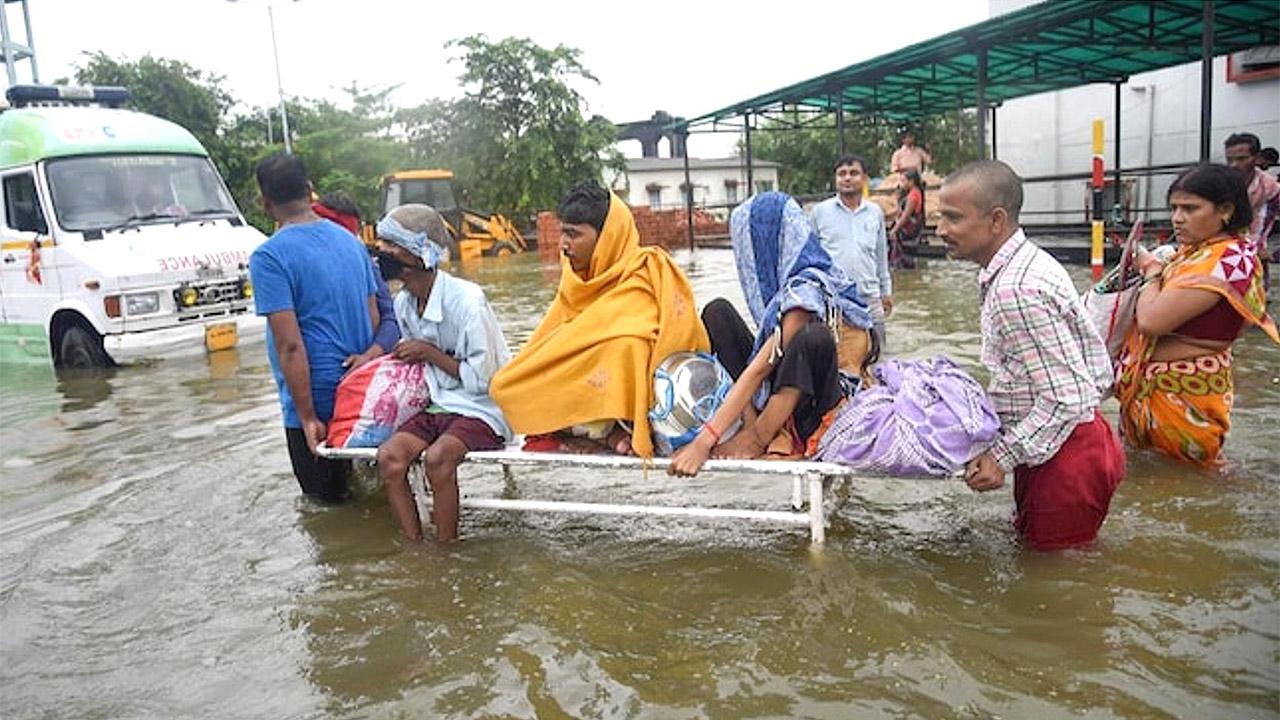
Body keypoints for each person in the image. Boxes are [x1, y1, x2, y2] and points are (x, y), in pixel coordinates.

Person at [938, 160, 1124, 550]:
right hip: (1060, 444)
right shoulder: (1021, 266)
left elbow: (1065, 397)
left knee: (1056, 589)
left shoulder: (1015, 290)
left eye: (953, 219)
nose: (941, 231)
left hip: (1067, 455)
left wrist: (999, 458)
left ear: (996, 220)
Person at [489, 181, 709, 458]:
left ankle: (612, 429)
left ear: (607, 237)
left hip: (646, 402)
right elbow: (554, 340)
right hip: (590, 390)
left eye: (573, 235)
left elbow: (660, 339)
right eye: (562, 233)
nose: (563, 245)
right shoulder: (575, 278)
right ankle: (597, 430)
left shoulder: (644, 274)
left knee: (626, 345)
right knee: (505, 385)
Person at [669, 191, 877, 477]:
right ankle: (751, 422)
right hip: (783, 383)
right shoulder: (782, 294)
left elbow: (759, 369)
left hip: (820, 400)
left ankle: (759, 437)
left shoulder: (805, 290)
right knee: (717, 313)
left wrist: (704, 442)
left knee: (811, 338)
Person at [1116, 164, 1279, 466]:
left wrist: (1151, 271)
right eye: (1174, 208)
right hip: (1162, 388)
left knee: (1192, 476)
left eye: (1190, 208)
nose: (1178, 218)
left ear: (1226, 210)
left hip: (1182, 393)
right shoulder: (1197, 252)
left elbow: (1152, 321)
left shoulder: (1227, 259)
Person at [371, 204, 512, 542]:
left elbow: (484, 380)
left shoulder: (467, 301)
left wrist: (429, 353)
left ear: (420, 255)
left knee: (437, 460)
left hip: (482, 407)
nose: (383, 253)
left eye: (392, 246)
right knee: (389, 458)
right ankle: (415, 548)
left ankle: (446, 550)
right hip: (437, 402)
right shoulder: (404, 303)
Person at [249, 154, 380, 503]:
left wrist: (306, 416)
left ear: (265, 203)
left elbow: (289, 345)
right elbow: (373, 317)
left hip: (316, 398)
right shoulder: (352, 244)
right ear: (310, 191)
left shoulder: (269, 257)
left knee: (326, 511)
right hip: (360, 393)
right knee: (371, 500)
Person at [311, 191, 400, 368]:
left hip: (359, 366)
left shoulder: (364, 262)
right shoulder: (303, 262)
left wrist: (369, 355)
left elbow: (391, 317)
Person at [811, 155, 893, 343]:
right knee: (836, 357)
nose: (847, 178)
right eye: (842, 174)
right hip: (834, 299)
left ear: (864, 178)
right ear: (836, 179)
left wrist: (886, 291)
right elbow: (813, 258)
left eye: (853, 173)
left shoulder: (875, 212)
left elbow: (881, 257)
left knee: (878, 352)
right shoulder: (820, 212)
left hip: (870, 297)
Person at [1224, 133, 1280, 245]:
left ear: (1257, 158)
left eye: (1241, 158)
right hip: (1220, 247)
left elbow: (1267, 219)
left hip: (1255, 248)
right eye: (1229, 160)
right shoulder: (1218, 183)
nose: (1233, 165)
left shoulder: (1269, 187)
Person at [887, 168, 926, 269]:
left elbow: (906, 215)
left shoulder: (913, 196)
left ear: (911, 181)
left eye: (903, 181)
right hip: (908, 230)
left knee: (903, 258)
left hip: (907, 231)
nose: (901, 184)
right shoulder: (913, 193)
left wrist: (894, 230)